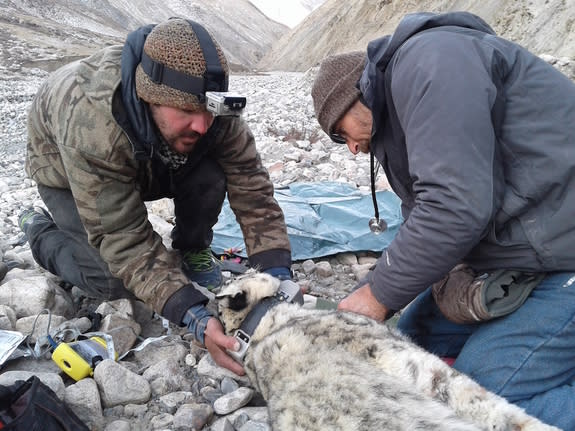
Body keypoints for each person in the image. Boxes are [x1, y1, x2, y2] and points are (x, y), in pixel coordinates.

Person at [311, 11, 575, 430]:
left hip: (564, 253)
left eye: (338, 133)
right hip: (528, 251)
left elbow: (453, 208)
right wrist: (374, 287)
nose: (350, 150)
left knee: (479, 394)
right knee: (414, 339)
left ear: (353, 97)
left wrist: (378, 295)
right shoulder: (398, 119)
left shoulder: (431, 61)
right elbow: (422, 215)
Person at [20, 17, 292, 375]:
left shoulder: (211, 110)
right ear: (151, 97)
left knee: (211, 171)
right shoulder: (94, 125)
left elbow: (251, 186)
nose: (202, 124)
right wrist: (193, 316)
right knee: (112, 280)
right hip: (66, 170)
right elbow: (123, 238)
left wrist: (278, 276)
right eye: (187, 112)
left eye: (207, 111)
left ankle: (192, 248)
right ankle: (37, 228)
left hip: (148, 153)